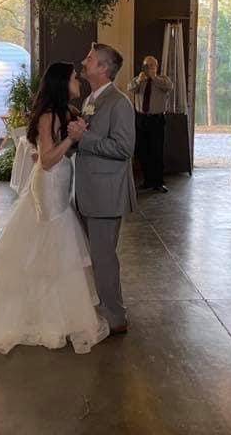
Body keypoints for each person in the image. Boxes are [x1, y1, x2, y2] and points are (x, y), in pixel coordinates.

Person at [0, 62, 111, 354]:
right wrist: (71, 139)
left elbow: (47, 154)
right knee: (50, 244)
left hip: (60, 182)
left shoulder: (67, 112)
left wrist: (74, 137)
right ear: (63, 83)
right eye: (75, 78)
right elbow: (48, 160)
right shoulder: (49, 116)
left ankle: (54, 313)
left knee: (55, 248)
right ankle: (41, 317)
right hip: (49, 185)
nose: (79, 81)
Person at [69, 43, 136, 336]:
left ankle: (116, 318)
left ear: (103, 69)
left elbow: (124, 148)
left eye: (90, 59)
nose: (84, 62)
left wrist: (84, 138)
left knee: (104, 259)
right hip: (88, 192)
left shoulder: (119, 102)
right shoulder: (91, 99)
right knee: (95, 257)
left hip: (107, 194)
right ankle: (102, 309)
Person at [127, 55, 172, 193]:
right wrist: (139, 81)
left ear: (156, 67)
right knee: (142, 151)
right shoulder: (140, 80)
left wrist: (153, 77)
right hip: (141, 119)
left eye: (152, 65)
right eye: (147, 66)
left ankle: (158, 182)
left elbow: (169, 87)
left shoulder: (163, 79)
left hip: (156, 120)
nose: (149, 68)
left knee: (156, 151)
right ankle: (147, 180)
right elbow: (130, 88)